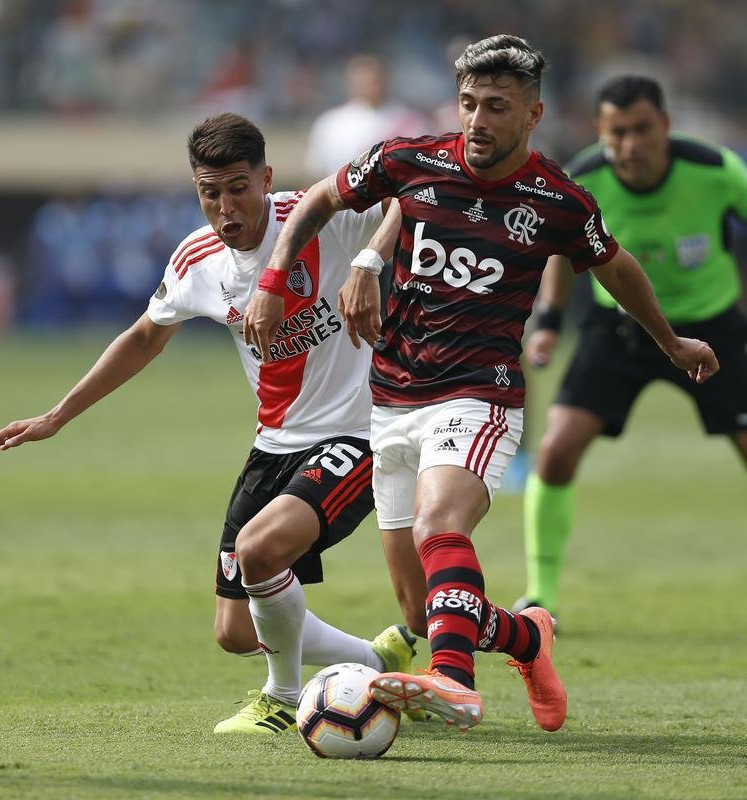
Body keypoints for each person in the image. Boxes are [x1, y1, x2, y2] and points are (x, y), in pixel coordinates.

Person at [242, 36, 719, 734]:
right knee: (420, 610)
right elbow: (322, 197)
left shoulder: (555, 198)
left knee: (443, 526)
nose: (477, 120)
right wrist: (275, 277)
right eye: (468, 103)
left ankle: (454, 682)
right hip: (393, 397)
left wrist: (669, 340)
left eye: (496, 106)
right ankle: (527, 638)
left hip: (479, 392)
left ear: (532, 113)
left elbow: (613, 266)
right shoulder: (412, 161)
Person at [0, 112, 420, 736]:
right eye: (209, 192)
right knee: (235, 631)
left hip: (360, 430)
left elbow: (414, 193)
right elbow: (143, 338)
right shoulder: (198, 259)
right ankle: (376, 663)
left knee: (261, 550)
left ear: (266, 178)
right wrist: (56, 416)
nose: (225, 207)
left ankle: (282, 698)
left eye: (238, 187)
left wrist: (370, 262)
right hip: (274, 445)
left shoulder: (325, 217)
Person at [513, 75, 747, 618]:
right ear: (601, 131)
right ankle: (541, 595)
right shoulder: (585, 178)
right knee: (556, 450)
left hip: (713, 332)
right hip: (618, 330)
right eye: (618, 132)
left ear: (665, 126)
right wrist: (548, 319)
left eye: (643, 130)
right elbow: (556, 249)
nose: (631, 145)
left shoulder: (715, 171)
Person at [304, 53, 427, 181]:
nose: (369, 82)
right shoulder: (330, 123)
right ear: (350, 81)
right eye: (362, 77)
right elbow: (316, 176)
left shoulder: (411, 120)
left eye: (374, 77)